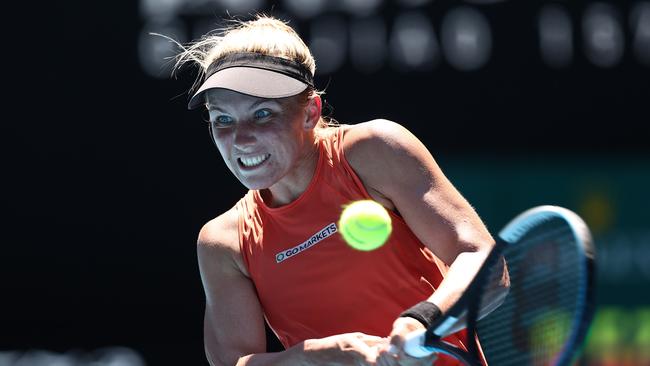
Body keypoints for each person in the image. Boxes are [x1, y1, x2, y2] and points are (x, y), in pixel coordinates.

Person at [171, 14, 508, 366]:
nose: (240, 139)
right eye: (222, 119)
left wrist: (424, 320)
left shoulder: (375, 151)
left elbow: (485, 263)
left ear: (310, 112)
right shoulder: (223, 243)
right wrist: (314, 356)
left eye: (262, 114)